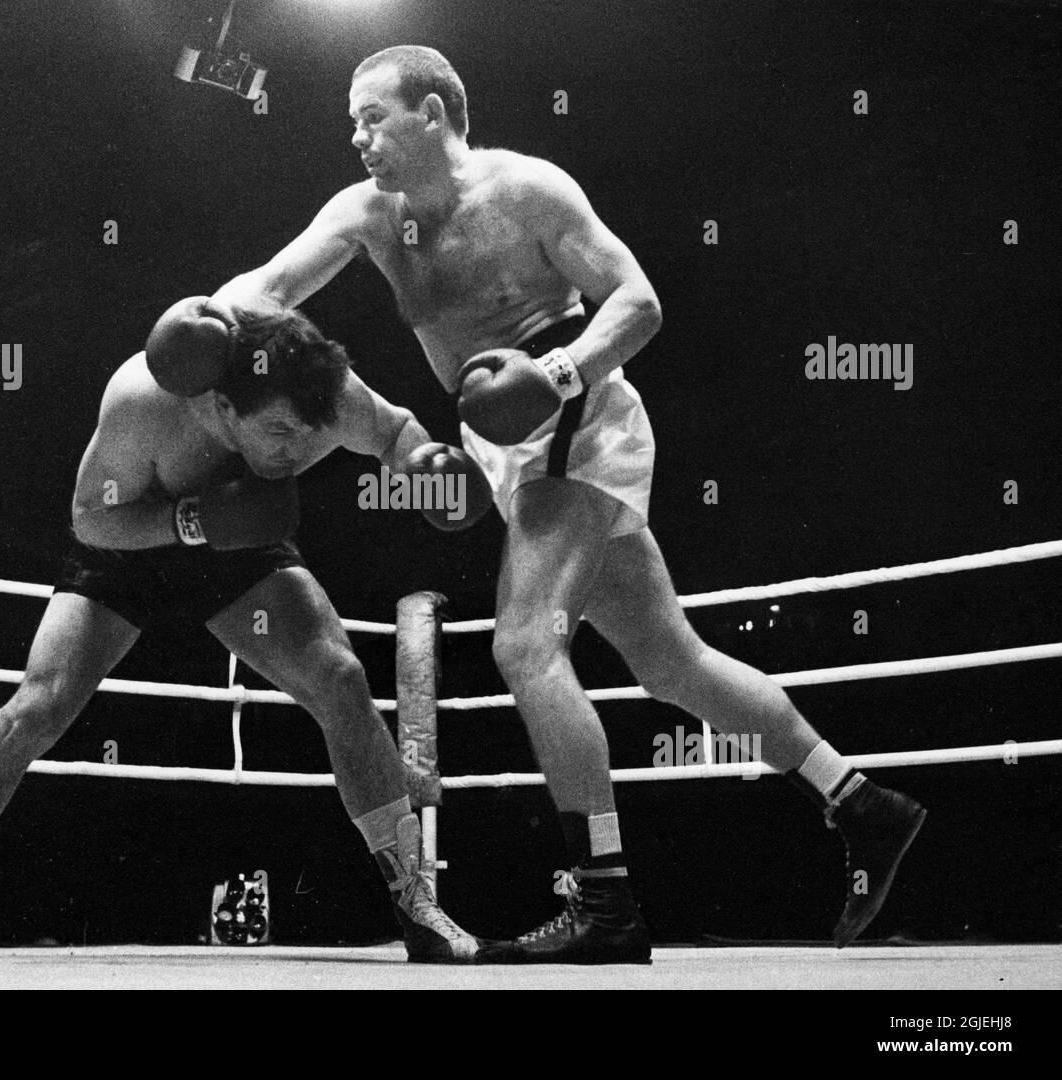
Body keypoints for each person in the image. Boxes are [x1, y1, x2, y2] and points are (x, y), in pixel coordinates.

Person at [206, 45, 928, 963]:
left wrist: (557, 371)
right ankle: (860, 802)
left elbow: (638, 300)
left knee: (524, 644)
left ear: (433, 114)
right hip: (505, 452)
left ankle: (608, 901)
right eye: (353, 122)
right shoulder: (367, 215)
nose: (358, 137)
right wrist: (201, 326)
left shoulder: (529, 191)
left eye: (373, 117)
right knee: (672, 662)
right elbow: (264, 288)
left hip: (581, 424)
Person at [0, 298, 493, 963]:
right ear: (224, 405)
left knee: (341, 679)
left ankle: (418, 903)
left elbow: (395, 430)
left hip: (239, 552)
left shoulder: (325, 391)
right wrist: (193, 521)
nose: (293, 452)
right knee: (38, 706)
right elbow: (90, 517)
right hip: (128, 548)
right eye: (276, 431)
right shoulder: (145, 401)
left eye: (307, 434)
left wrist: (426, 474)